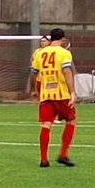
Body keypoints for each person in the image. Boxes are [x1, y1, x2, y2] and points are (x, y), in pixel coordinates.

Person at [29, 28, 77, 167]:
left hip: (45, 94)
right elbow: (67, 71)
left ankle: (44, 160)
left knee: (46, 124)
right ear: (62, 39)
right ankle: (63, 154)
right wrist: (72, 92)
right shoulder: (64, 53)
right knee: (71, 120)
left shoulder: (40, 53)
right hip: (61, 93)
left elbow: (33, 73)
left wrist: (35, 89)